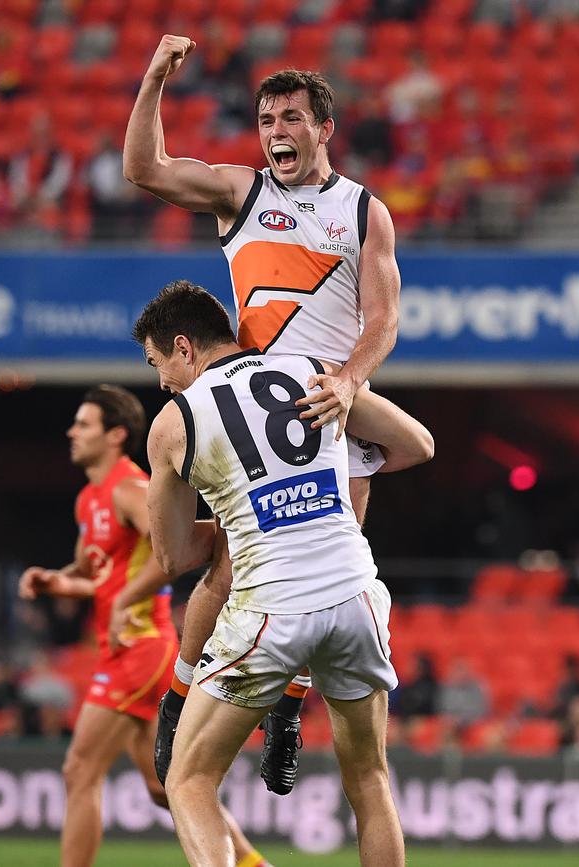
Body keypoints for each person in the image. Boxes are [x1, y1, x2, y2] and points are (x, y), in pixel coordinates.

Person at [123, 36, 405, 794]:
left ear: (324, 128)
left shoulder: (363, 212)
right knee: (225, 568)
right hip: (260, 411)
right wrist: (153, 79)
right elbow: (143, 170)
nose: (276, 131)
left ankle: (287, 706)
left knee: (332, 569)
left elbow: (384, 318)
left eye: (290, 118)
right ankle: (180, 701)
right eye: (266, 120)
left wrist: (349, 380)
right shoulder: (242, 195)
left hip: (334, 408)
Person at [125, 280, 424, 866]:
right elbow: (418, 445)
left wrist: (252, 515)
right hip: (357, 595)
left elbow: (174, 556)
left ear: (183, 347)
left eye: (158, 362)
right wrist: (318, 492)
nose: (161, 379)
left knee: (186, 781)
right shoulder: (315, 369)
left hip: (274, 608)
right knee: (368, 779)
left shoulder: (174, 421)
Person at [18, 385, 268, 867]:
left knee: (80, 769)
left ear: (116, 435)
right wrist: (54, 581)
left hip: (140, 647)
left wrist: (125, 600)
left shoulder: (131, 490)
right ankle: (255, 863)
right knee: (162, 785)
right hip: (127, 648)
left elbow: (174, 553)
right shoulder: (89, 498)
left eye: (84, 424)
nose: (71, 432)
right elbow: (95, 575)